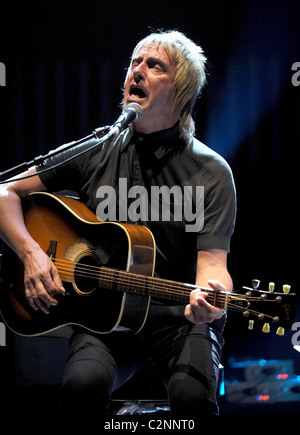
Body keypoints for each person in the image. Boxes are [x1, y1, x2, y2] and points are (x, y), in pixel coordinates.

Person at [0, 30, 236, 416]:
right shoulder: (97, 150)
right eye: (134, 62)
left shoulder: (211, 172)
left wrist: (213, 301)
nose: (136, 72)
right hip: (105, 320)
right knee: (80, 389)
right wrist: (30, 254)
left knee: (194, 402)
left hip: (180, 321)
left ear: (180, 90)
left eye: (153, 65)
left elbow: (214, 267)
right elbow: (4, 192)